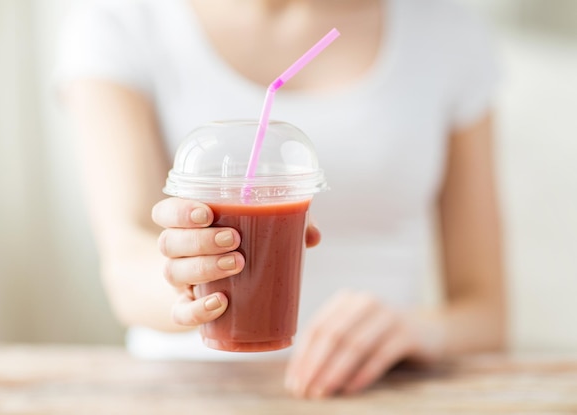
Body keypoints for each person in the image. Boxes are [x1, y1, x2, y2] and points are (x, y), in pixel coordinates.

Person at [56, 0, 506, 399]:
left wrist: (418, 329)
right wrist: (185, 282)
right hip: (187, 391)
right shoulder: (122, 22)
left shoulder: (445, 31)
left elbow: (487, 314)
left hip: (370, 391)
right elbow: (126, 262)